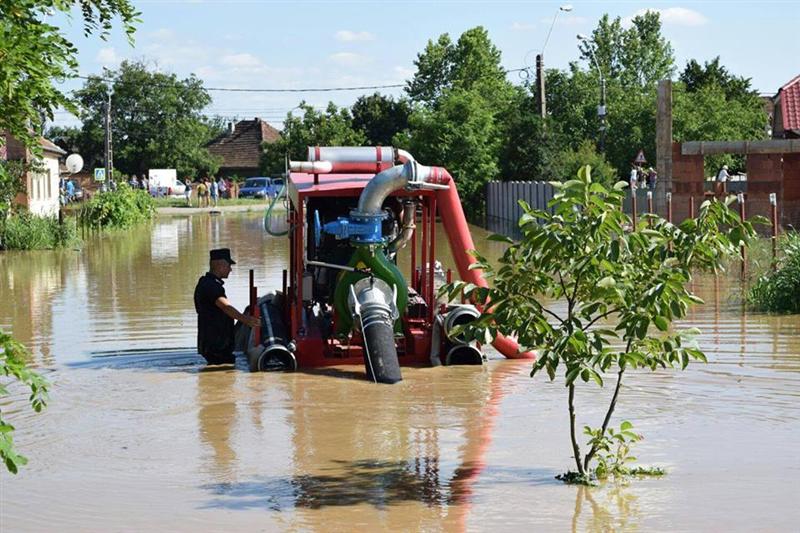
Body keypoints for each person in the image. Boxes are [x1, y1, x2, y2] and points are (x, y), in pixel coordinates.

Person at [194, 248, 260, 365]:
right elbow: (225, 307)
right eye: (229, 265)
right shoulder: (210, 286)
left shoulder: (208, 283)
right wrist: (247, 320)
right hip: (216, 345)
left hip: (214, 343)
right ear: (219, 265)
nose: (230, 269)